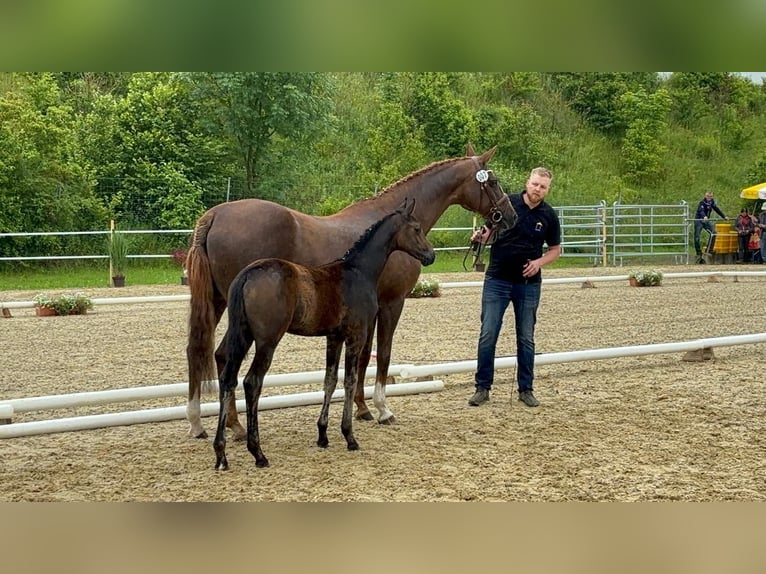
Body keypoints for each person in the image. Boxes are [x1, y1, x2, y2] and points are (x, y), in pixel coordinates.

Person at [468, 167, 562, 408]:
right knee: (488, 334)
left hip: (528, 285)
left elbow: (555, 250)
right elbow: (489, 231)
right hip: (497, 279)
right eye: (535, 184)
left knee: (526, 337)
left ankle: (526, 389)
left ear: (547, 189)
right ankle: (482, 387)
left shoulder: (549, 216)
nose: (537, 189)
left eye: (542, 186)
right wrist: (481, 238)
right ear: (527, 182)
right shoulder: (506, 203)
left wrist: (539, 263)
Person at [693, 191, 727, 263]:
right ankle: (698, 252)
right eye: (708, 197)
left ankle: (710, 249)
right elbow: (701, 211)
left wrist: (724, 216)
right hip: (699, 220)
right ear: (705, 196)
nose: (709, 198)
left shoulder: (712, 202)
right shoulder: (702, 202)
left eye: (711, 197)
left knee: (714, 233)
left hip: (706, 221)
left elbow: (717, 209)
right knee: (697, 237)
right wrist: (704, 216)